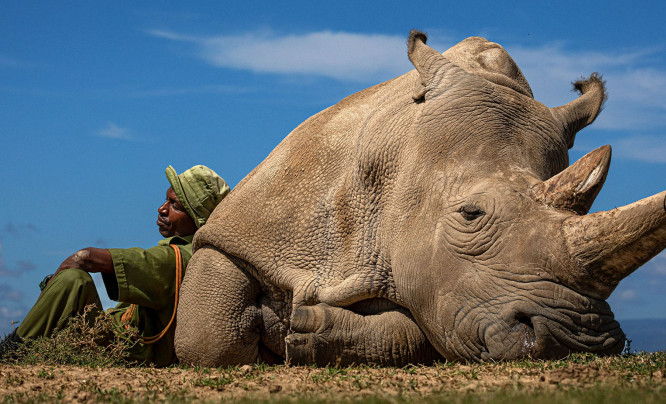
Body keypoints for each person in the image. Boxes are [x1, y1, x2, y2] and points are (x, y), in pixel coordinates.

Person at [0, 165, 229, 366]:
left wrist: (55, 284)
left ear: (196, 218)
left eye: (175, 205)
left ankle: (9, 354)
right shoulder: (196, 255)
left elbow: (86, 258)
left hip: (128, 351)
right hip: (119, 339)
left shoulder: (177, 258)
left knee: (74, 280)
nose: (162, 209)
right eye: (166, 200)